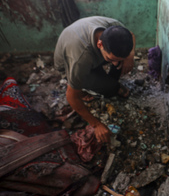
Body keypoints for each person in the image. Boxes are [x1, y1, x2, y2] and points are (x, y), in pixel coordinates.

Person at [54, 16, 135, 144]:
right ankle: (88, 88)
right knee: (110, 89)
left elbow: (131, 34)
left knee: (118, 66)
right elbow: (71, 96)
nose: (114, 64)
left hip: (92, 54)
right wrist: (96, 124)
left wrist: (130, 56)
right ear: (100, 44)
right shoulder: (81, 59)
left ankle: (107, 73)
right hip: (68, 65)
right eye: (110, 59)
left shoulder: (115, 29)